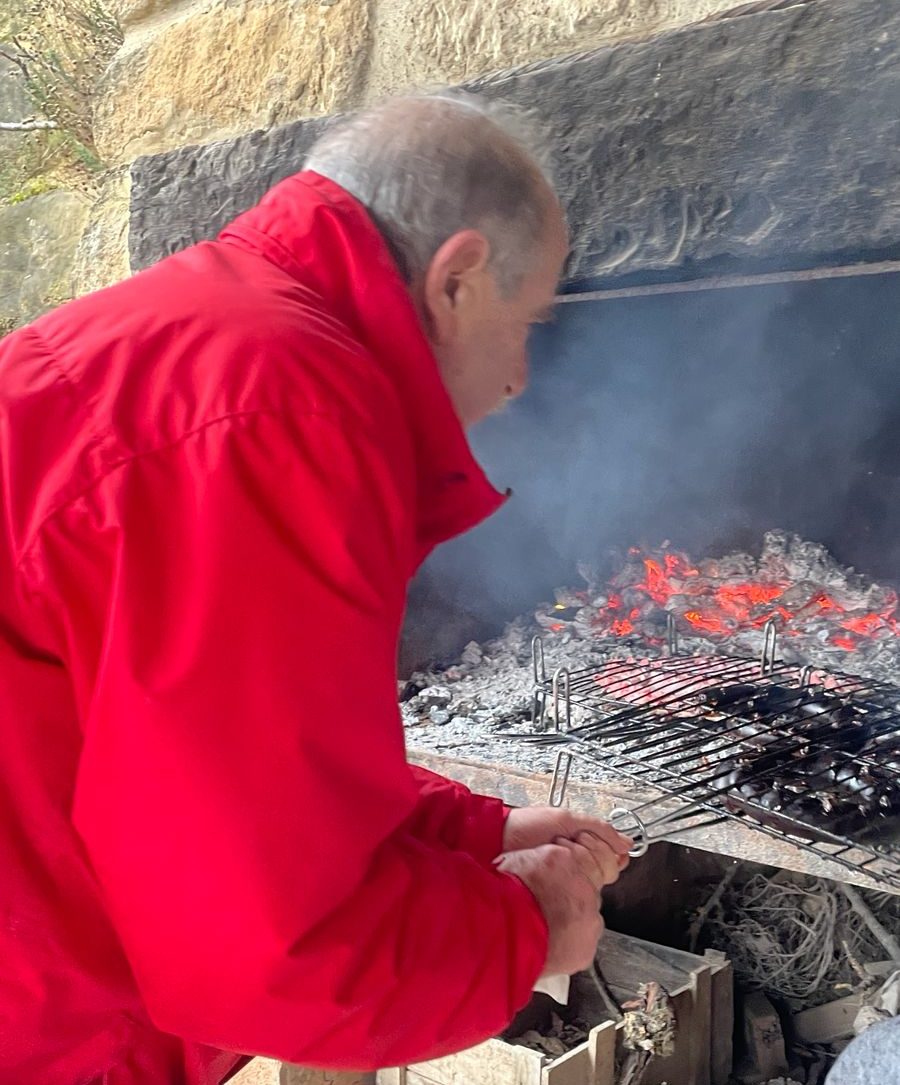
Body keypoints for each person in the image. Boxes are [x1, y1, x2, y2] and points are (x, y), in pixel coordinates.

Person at [0, 92, 632, 1085]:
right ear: (458, 278)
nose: (520, 377)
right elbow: (272, 949)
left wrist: (468, 832)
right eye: (530, 324)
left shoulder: (206, 338)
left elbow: (209, 778)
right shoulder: (280, 415)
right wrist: (526, 929)